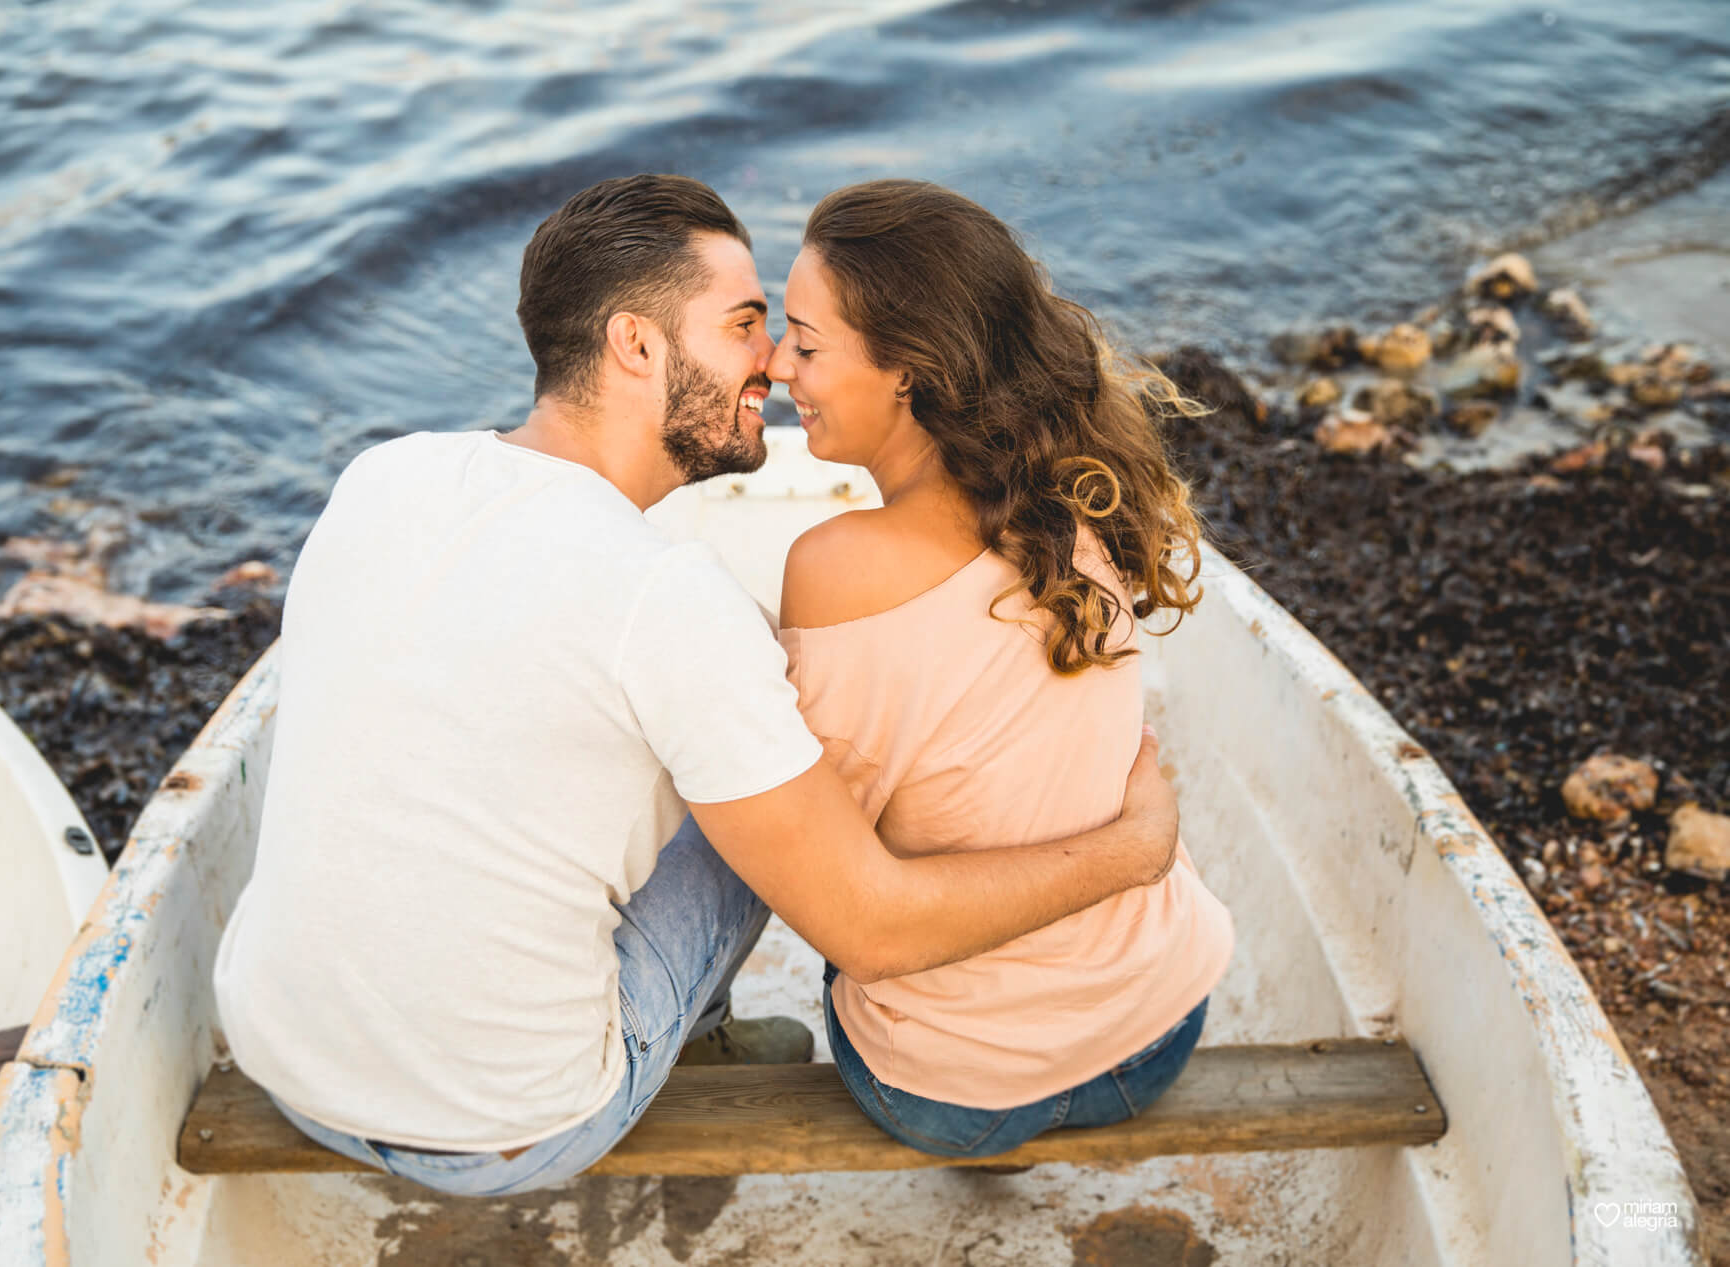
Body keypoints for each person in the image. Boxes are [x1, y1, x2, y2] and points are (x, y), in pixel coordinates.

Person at [210, 174, 1187, 1196]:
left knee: (722, 719)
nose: (771, 360)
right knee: (775, 783)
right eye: (743, 324)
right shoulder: (667, 598)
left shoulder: (384, 476)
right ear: (634, 345)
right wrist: (1128, 850)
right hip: (506, 1126)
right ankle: (693, 1041)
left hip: (286, 1061)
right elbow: (873, 928)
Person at [767, 179, 1236, 1159]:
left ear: (906, 368)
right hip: (1160, 1028)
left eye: (805, 344)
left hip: (953, 1095)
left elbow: (823, 880)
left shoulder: (834, 568)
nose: (776, 368)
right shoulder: (1075, 496)